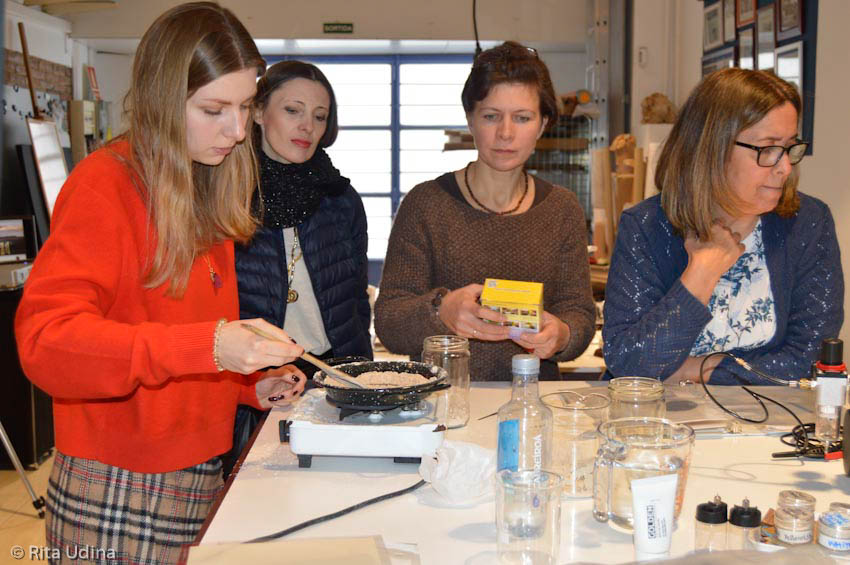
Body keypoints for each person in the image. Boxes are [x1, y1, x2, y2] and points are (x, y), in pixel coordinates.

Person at [14, 3, 305, 562]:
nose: (238, 130)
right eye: (214, 109)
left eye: (245, 107)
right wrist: (213, 345)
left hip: (195, 472)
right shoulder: (105, 186)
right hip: (118, 485)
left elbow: (173, 337)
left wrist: (245, 383)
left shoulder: (200, 184)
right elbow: (46, 344)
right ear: (162, 99)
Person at [603, 68, 844, 385]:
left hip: (768, 426)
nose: (784, 167)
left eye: (789, 148)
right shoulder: (647, 226)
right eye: (767, 149)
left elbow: (810, 360)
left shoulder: (808, 223)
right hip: (659, 426)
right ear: (712, 149)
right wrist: (701, 272)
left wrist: (699, 369)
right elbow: (628, 363)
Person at [374, 42, 596, 381]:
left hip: (532, 402)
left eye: (522, 118)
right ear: (471, 119)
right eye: (491, 116)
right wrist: (441, 310)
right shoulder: (426, 204)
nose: (505, 133)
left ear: (543, 124)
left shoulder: (561, 209)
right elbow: (389, 322)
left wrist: (562, 334)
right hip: (443, 405)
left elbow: (578, 313)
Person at [226, 61, 371, 474]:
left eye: (319, 116)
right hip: (253, 383)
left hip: (333, 377)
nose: (307, 126)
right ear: (257, 112)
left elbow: (357, 302)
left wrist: (362, 381)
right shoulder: (226, 196)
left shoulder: (340, 198)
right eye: (293, 110)